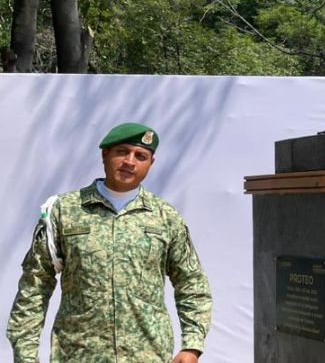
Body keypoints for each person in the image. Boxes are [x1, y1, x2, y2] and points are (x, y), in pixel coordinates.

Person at [6, 122, 212, 363]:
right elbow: (34, 285)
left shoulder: (165, 217)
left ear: (150, 163)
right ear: (105, 155)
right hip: (78, 354)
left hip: (147, 355)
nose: (130, 161)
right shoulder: (65, 210)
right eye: (122, 152)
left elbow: (192, 284)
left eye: (140, 156)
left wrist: (193, 346)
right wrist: (26, 356)